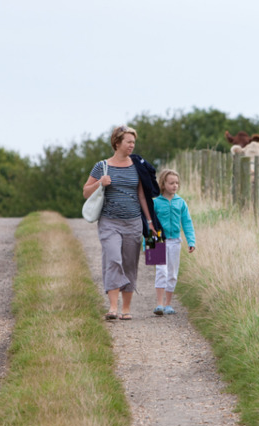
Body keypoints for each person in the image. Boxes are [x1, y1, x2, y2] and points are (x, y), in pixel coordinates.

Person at [82, 125, 161, 320]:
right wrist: (100, 182)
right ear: (117, 143)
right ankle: (112, 307)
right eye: (128, 142)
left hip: (133, 223)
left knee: (129, 264)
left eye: (134, 142)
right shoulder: (102, 166)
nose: (132, 145)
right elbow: (85, 192)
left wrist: (149, 222)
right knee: (113, 259)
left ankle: (126, 309)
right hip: (109, 222)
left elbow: (142, 196)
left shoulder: (137, 166)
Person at [152, 169, 196, 315]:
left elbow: (187, 223)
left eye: (177, 183)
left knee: (172, 273)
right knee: (161, 271)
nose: (175, 186)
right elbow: (149, 224)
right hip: (158, 239)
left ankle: (168, 304)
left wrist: (191, 241)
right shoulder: (155, 203)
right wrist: (148, 244)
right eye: (171, 183)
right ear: (163, 184)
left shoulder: (180, 202)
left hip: (175, 241)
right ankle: (159, 304)